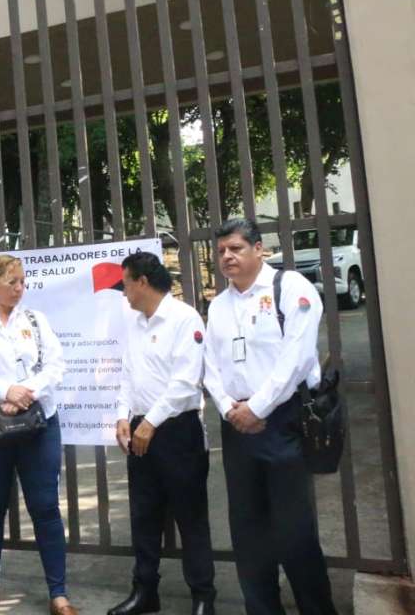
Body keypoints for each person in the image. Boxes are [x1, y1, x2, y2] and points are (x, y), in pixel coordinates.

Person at [203, 218, 337, 615]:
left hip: (283, 421)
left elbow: (296, 358)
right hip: (237, 427)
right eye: (222, 250)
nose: (227, 256)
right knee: (249, 532)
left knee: (294, 531)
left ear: (259, 249)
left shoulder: (291, 288)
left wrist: (258, 408)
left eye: (236, 248)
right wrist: (228, 407)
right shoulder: (218, 306)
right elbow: (209, 364)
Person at [0, 255, 77, 615]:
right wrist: (6, 390)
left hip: (37, 425)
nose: (19, 289)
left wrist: (26, 392)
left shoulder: (36, 320)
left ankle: (59, 594)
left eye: (23, 282)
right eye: (12, 282)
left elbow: (56, 366)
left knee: (45, 507)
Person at [110, 252, 215, 615]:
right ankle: (145, 592)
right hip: (141, 428)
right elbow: (127, 372)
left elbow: (186, 382)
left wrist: (150, 422)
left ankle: (203, 596)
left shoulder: (184, 319)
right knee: (144, 515)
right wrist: (123, 415)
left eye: (125, 283)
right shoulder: (136, 321)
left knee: (191, 517)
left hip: (176, 431)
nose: (123, 291)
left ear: (142, 281)